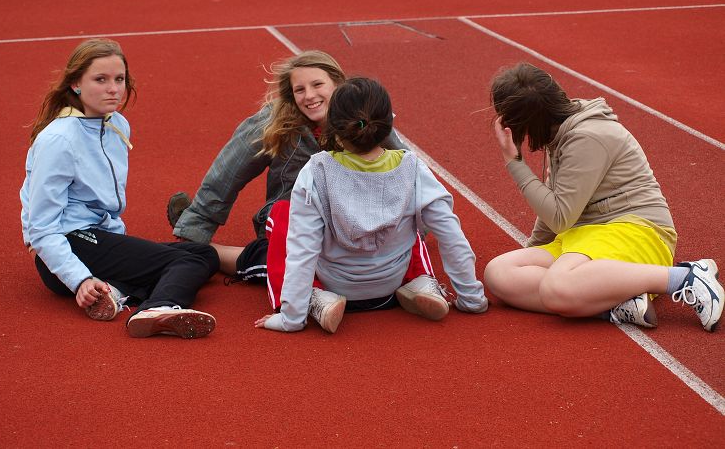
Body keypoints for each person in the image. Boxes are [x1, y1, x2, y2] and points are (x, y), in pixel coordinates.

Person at [483, 62, 722, 331]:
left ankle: (685, 277)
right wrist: (532, 253)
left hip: (636, 232)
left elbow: (560, 217)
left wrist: (515, 163)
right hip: (586, 236)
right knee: (500, 273)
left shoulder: (587, 137)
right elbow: (555, 205)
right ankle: (617, 304)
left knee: (556, 287)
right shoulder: (561, 130)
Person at [20, 38, 225, 339]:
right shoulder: (59, 140)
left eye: (119, 79)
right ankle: (158, 308)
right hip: (67, 249)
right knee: (187, 261)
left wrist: (119, 244)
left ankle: (114, 292)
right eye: (100, 80)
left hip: (98, 242)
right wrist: (79, 279)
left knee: (204, 254)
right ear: (76, 84)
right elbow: (41, 229)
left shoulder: (116, 125)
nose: (113, 89)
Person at [254, 77, 489, 333]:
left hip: (335, 282)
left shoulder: (316, 170)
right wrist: (471, 298)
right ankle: (421, 282)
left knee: (281, 214)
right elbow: (450, 234)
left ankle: (317, 299)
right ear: (388, 124)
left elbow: (302, 249)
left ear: (334, 128)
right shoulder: (412, 167)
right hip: (391, 282)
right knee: (414, 224)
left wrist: (290, 319)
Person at [167, 50, 408, 284]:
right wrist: (196, 225)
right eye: (299, 90)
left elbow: (406, 167)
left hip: (352, 224)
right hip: (290, 223)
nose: (309, 96)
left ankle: (204, 250)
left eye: (317, 84)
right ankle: (199, 246)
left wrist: (412, 221)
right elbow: (227, 173)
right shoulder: (275, 122)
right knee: (284, 262)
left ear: (337, 83)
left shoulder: (364, 117)